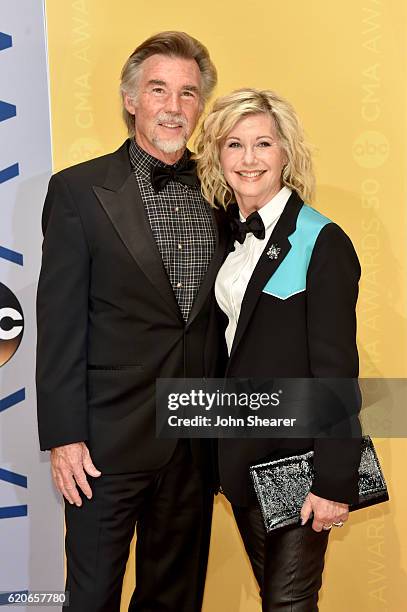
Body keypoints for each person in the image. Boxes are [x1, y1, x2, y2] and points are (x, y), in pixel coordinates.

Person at [36, 31, 226, 612]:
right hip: (104, 445)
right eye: (159, 89)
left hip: (197, 439)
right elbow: (60, 322)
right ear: (130, 99)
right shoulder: (77, 191)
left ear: (200, 106)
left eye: (188, 93)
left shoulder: (224, 189)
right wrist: (64, 437)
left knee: (175, 599)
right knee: (91, 597)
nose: (174, 107)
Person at [195, 88, 362, 611]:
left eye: (263, 144)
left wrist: (335, 480)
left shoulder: (322, 240)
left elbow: (337, 370)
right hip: (244, 453)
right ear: (218, 155)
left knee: (288, 601)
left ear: (286, 153)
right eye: (234, 145)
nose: (249, 160)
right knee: (280, 598)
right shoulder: (226, 233)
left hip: (301, 460)